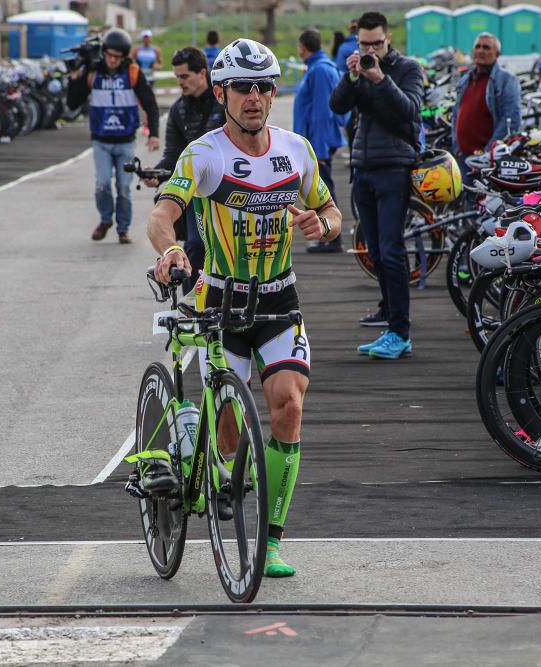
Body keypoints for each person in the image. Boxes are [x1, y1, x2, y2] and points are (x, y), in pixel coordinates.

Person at [147, 38, 343, 578]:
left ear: (274, 92)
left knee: (289, 406)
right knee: (229, 428)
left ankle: (272, 540)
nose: (254, 98)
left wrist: (321, 224)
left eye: (263, 87)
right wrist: (169, 250)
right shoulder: (204, 153)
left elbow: (330, 211)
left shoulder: (296, 150)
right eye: (242, 88)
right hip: (221, 305)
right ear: (222, 93)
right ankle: (217, 466)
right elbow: (161, 217)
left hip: (280, 298)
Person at [330, 11, 424, 359]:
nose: (371, 49)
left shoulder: (408, 68)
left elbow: (409, 111)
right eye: (364, 44)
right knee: (374, 250)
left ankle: (400, 332)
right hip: (363, 168)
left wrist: (380, 77)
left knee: (391, 249)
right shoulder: (358, 69)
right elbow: (337, 106)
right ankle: (388, 312)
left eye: (377, 43)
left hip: (393, 168)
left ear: (388, 40)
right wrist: (352, 78)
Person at [142, 47, 225, 292]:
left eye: (184, 77)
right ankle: (191, 304)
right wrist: (155, 174)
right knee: (195, 246)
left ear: (202, 73)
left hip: (228, 186)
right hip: (197, 191)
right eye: (177, 77)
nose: (180, 83)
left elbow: (206, 148)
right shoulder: (178, 109)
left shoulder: (224, 101)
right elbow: (173, 155)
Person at [67, 28, 160, 244]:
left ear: (124, 57)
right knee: (102, 184)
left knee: (124, 188)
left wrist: (154, 133)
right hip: (100, 141)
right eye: (108, 55)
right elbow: (73, 103)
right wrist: (75, 78)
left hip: (126, 142)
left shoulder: (133, 73)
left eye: (116, 57)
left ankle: (123, 229)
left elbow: (150, 104)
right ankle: (106, 218)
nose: (111, 60)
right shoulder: (93, 72)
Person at [294, 28, 347, 253]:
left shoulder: (320, 71)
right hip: (315, 143)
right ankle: (327, 236)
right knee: (321, 189)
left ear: (303, 48)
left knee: (324, 192)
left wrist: (320, 151)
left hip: (318, 145)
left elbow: (323, 113)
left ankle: (332, 238)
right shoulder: (318, 68)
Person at [451, 32, 521, 182]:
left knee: (479, 204)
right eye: (477, 47)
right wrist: (456, 148)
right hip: (463, 158)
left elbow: (511, 120)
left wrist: (486, 153)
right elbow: (456, 114)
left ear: (497, 54)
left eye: (486, 47)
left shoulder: (506, 80)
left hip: (486, 162)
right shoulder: (465, 79)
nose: (481, 51)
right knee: (463, 203)